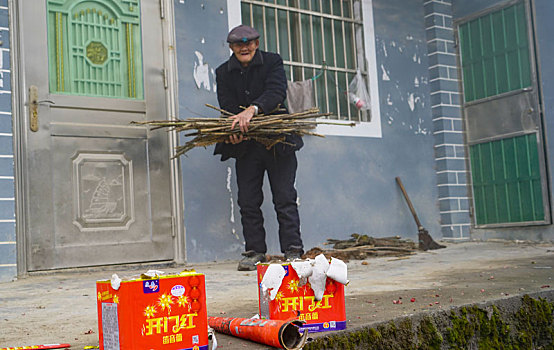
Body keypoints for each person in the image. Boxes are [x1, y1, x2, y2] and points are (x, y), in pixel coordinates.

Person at [214, 24, 304, 271]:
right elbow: (227, 106)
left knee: (285, 198)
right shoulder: (223, 72)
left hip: (278, 141)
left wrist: (251, 110)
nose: (244, 47)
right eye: (238, 44)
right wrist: (233, 131)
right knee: (248, 200)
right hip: (247, 147)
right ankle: (255, 252)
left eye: (249, 43)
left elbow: (276, 92)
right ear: (231, 47)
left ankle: (293, 250)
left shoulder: (273, 62)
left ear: (257, 43)